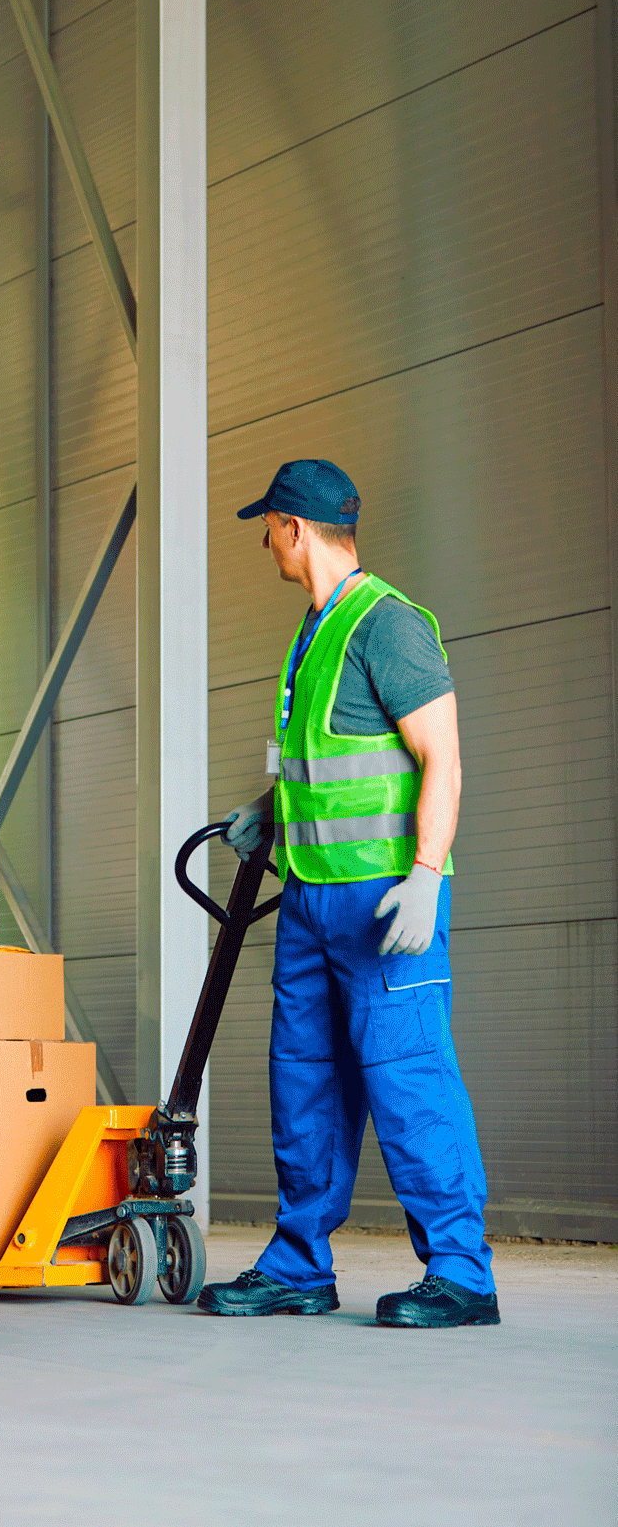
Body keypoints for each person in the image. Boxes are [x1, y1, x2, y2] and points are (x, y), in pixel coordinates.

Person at [197, 460, 499, 1329]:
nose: (265, 540)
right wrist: (265, 813)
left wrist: (427, 876)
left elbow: (442, 756)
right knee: (304, 1084)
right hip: (309, 900)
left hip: (385, 904)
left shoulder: (388, 624)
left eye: (269, 525)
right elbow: (328, 768)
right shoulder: (313, 631)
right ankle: (299, 1264)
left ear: (294, 527)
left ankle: (460, 1271)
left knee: (409, 1078)